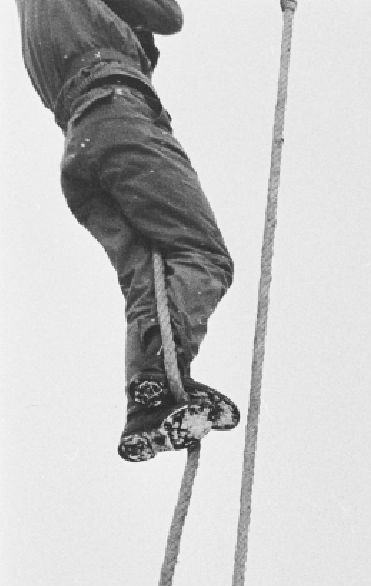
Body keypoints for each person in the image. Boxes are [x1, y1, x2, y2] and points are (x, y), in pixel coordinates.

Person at [14, 0, 238, 463]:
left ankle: (146, 405)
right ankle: (159, 371)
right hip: (121, 116)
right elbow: (167, 14)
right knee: (202, 255)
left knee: (145, 280)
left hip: (81, 138)